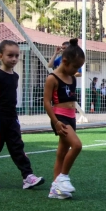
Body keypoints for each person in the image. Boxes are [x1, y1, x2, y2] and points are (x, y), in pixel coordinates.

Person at [0, 40, 45, 190]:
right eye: (10, 55)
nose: (14, 59)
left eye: (16, 55)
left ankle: (28, 176)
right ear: (1, 56)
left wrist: (15, 119)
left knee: (17, 147)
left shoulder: (15, 76)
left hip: (12, 118)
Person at [43, 38, 86, 199]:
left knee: (61, 153)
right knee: (77, 146)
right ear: (65, 61)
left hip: (71, 117)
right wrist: (55, 121)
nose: (77, 70)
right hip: (60, 118)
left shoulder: (72, 78)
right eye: (75, 66)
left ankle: (55, 189)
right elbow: (46, 102)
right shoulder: (52, 78)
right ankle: (63, 177)